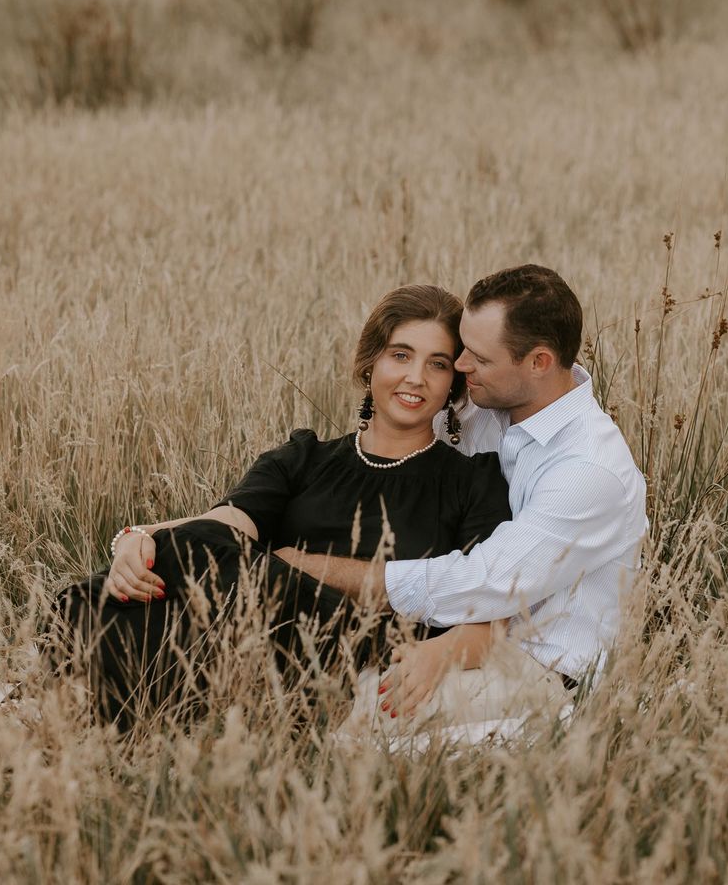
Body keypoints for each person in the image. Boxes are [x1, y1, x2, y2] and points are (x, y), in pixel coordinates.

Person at [41, 283, 514, 729]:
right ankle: (131, 701)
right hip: (258, 630)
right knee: (98, 595)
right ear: (370, 364)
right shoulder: (304, 457)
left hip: (355, 644)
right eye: (400, 355)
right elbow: (224, 525)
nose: (416, 377)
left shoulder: (474, 481)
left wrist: (439, 655)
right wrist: (139, 537)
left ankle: (99, 696)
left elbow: (490, 616)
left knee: (226, 567)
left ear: (454, 381)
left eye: (437, 364)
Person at [272, 265, 648, 734]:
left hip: (542, 670)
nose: (461, 366)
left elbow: (486, 582)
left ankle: (546, 735)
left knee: (363, 712)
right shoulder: (489, 407)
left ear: (539, 362)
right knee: (312, 687)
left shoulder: (589, 470)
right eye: (463, 348)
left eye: (479, 358)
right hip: (457, 640)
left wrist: (314, 567)